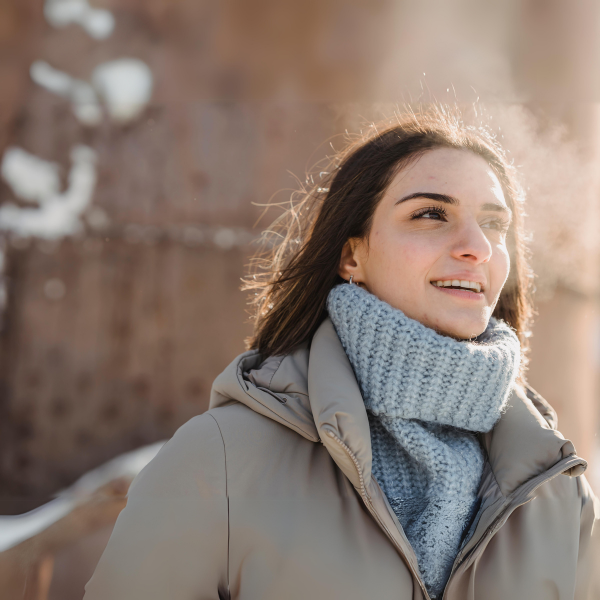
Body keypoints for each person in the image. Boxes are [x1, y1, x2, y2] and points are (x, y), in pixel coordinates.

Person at [84, 107, 598, 600]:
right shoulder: (221, 460)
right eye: (429, 214)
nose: (476, 247)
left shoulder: (556, 492)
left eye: (494, 223)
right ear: (353, 254)